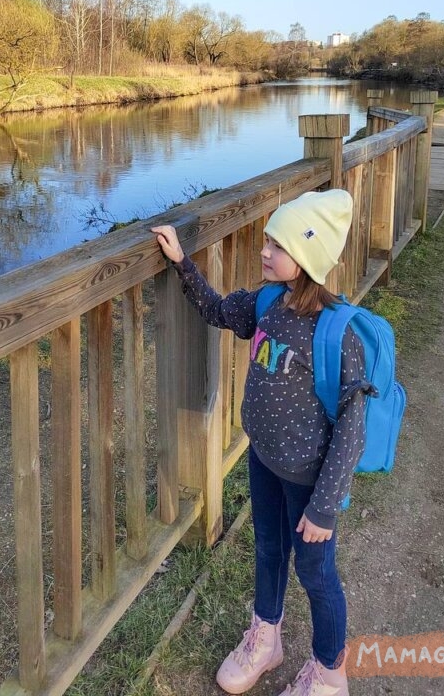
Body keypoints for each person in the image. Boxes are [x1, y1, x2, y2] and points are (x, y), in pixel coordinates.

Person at [152, 190, 374, 696]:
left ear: (310, 257)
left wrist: (322, 508)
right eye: (268, 239)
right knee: (269, 549)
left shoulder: (338, 334)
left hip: (309, 481)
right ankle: (265, 639)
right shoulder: (266, 303)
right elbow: (214, 310)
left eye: (279, 244)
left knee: (317, 575)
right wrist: (182, 262)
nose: (264, 251)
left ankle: (330, 673)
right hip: (264, 459)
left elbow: (351, 428)